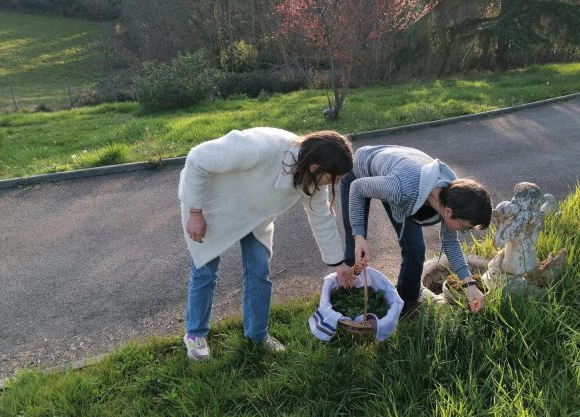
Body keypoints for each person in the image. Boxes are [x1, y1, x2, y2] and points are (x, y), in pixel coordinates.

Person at [179, 127, 353, 360]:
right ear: (315, 167)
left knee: (259, 272)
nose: (335, 183)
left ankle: (257, 336)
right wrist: (195, 212)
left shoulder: (313, 181)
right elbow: (197, 157)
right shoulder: (262, 147)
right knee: (205, 272)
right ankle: (195, 335)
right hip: (211, 206)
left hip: (255, 216)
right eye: (335, 178)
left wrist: (338, 264)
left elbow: (321, 218)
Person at [335, 145, 492, 315]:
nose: (464, 232)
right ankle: (345, 306)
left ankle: (405, 305)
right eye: (465, 227)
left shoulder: (453, 195)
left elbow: (450, 242)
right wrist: (358, 235)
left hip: (399, 174)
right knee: (356, 250)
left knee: (415, 250)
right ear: (448, 212)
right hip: (358, 172)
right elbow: (357, 188)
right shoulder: (401, 190)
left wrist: (469, 284)